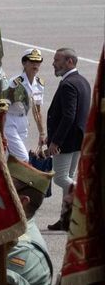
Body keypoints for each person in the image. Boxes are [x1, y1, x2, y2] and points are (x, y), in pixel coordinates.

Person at [47, 47, 91, 231]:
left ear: (69, 62)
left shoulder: (68, 85)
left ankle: (83, 197)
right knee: (68, 177)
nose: (53, 64)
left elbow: (68, 116)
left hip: (66, 141)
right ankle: (67, 219)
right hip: (78, 139)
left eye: (57, 60)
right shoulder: (82, 81)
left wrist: (55, 141)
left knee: (60, 178)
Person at [15, 49, 47, 157]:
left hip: (23, 123)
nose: (35, 65)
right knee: (23, 156)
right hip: (10, 122)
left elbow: (37, 110)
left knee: (16, 158)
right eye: (32, 62)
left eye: (38, 62)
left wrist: (42, 133)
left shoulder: (39, 84)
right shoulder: (15, 83)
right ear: (24, 63)